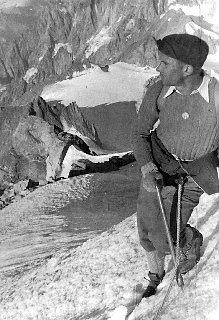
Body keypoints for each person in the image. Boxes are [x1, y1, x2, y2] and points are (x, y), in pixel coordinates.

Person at [132, 33, 219, 298]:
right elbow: (140, 133)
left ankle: (190, 241)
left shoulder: (215, 95)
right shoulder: (159, 90)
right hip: (159, 166)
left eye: (164, 63)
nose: (158, 68)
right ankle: (155, 273)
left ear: (187, 69)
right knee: (146, 230)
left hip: (194, 174)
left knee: (163, 237)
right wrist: (148, 169)